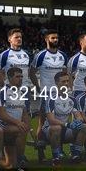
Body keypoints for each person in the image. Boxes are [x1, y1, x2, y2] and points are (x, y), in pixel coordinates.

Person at [31, 29, 68, 161]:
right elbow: (32, 73)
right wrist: (38, 87)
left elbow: (65, 74)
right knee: (42, 123)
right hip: (46, 95)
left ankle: (59, 150)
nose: (55, 40)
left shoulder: (63, 55)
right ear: (47, 39)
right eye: (53, 38)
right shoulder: (40, 55)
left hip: (60, 95)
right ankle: (41, 152)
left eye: (57, 38)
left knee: (61, 122)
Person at [42, 71, 86, 167]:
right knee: (56, 128)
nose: (66, 84)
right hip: (49, 130)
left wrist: (79, 121)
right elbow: (51, 120)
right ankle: (56, 157)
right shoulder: (51, 99)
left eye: (67, 81)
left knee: (85, 127)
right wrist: (68, 124)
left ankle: (76, 155)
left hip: (65, 129)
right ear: (56, 83)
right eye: (63, 82)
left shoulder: (72, 99)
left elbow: (78, 115)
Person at [0, 67, 32, 171]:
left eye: (21, 76)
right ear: (10, 78)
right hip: (3, 125)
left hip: (16, 125)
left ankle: (17, 160)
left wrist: (27, 125)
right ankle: (21, 159)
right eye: (17, 77)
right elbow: (1, 114)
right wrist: (18, 123)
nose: (20, 79)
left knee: (10, 165)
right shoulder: (2, 92)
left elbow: (24, 113)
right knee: (21, 130)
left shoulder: (22, 93)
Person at [68, 34, 86, 98]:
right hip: (79, 91)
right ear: (81, 43)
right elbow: (69, 75)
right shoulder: (75, 59)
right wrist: (71, 90)